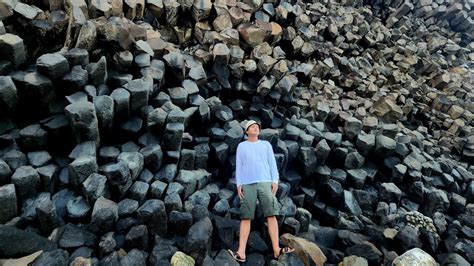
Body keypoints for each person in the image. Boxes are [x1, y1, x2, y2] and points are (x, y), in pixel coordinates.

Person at [228, 120, 294, 263]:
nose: (256, 128)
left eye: (257, 126)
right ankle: (241, 252)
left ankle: (276, 249)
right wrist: (239, 184)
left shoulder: (266, 145)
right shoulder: (242, 146)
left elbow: (272, 163)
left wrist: (275, 181)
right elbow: (239, 166)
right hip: (247, 183)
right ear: (246, 131)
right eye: (252, 127)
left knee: (271, 214)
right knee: (246, 216)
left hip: (265, 182)